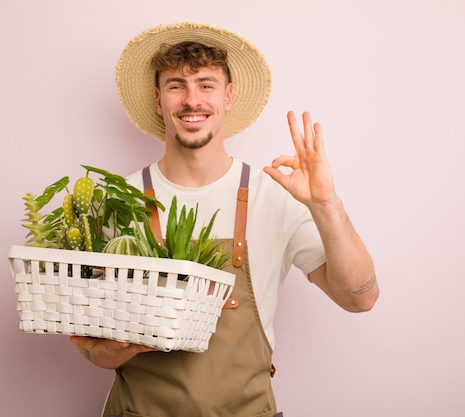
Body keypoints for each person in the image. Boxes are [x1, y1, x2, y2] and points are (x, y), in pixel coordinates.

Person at [70, 22, 379, 417]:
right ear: (158, 98)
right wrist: (113, 349)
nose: (191, 100)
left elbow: (361, 298)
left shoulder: (276, 196)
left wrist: (326, 204)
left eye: (206, 84)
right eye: (176, 85)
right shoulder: (118, 201)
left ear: (228, 96)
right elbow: (94, 353)